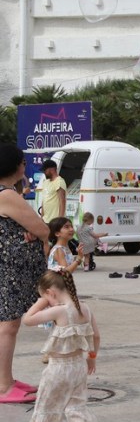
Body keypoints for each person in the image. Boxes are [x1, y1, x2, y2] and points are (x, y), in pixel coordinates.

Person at [19, 270, 101, 422]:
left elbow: (27, 319)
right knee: (77, 408)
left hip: (58, 369)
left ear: (51, 292)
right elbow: (96, 336)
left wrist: (41, 301)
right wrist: (92, 358)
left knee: (46, 408)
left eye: (46, 297)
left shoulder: (59, 311)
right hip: (79, 366)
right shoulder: (85, 308)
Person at [0, 144, 50, 405]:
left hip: (9, 268)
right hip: (9, 270)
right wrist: (35, 233)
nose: (24, 166)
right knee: (8, 326)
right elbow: (43, 229)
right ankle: (3, 386)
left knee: (9, 324)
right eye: (22, 162)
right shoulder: (7, 194)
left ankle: (6, 379)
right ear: (14, 166)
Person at [37, 159, 66, 223]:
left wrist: (60, 220)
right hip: (45, 220)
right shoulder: (45, 182)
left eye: (45, 170)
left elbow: (62, 201)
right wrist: (42, 217)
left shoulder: (59, 181)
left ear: (52, 169)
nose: (44, 172)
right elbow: (44, 201)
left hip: (55, 221)